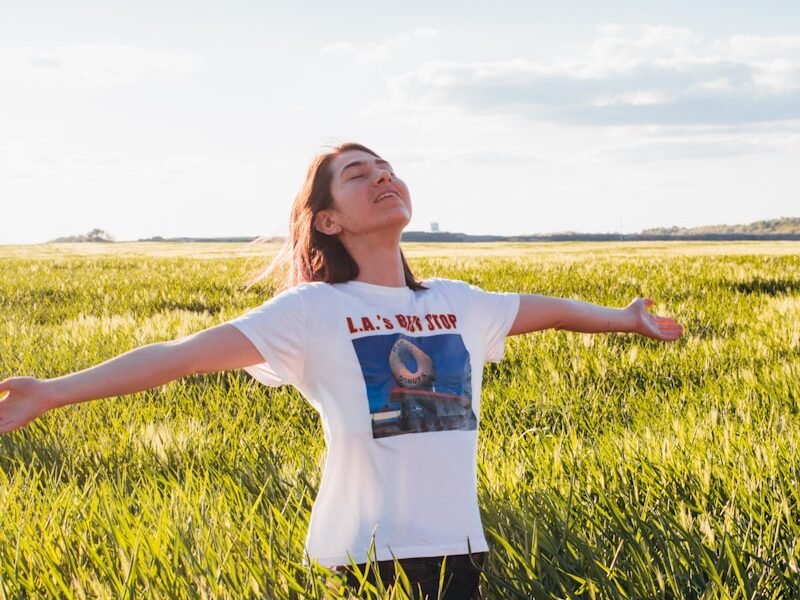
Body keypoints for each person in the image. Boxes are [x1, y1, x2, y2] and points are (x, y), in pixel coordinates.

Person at [0, 142, 683, 599]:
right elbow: (178, 359)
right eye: (359, 174)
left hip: (462, 552)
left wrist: (627, 319)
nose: (383, 176)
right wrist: (52, 392)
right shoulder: (312, 311)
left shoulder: (457, 304)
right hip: (361, 560)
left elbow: (554, 310)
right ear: (326, 219)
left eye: (386, 167)